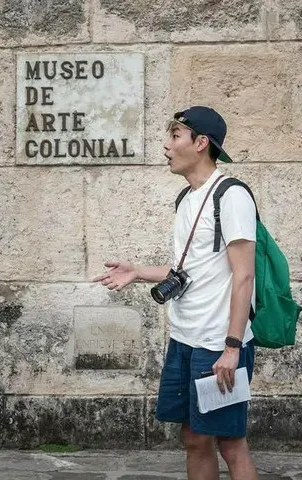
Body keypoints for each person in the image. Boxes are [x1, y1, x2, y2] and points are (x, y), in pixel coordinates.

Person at [93, 106, 258, 480]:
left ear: (201, 143)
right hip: (185, 338)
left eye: (174, 136)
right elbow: (187, 271)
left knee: (230, 441)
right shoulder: (186, 198)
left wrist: (232, 348)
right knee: (194, 438)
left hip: (219, 343)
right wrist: (137, 272)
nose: (166, 145)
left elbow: (244, 276)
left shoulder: (231, 196)